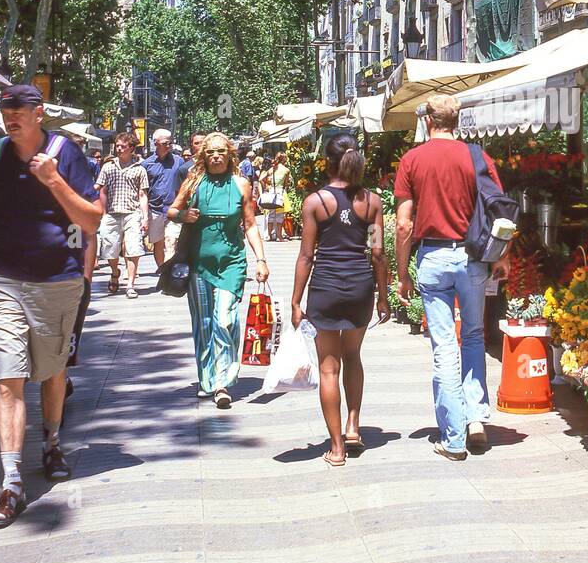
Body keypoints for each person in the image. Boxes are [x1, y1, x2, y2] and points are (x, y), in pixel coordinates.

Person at [0, 84, 102, 529]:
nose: (9, 115)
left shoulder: (66, 153)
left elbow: (90, 220)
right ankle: (11, 483)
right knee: (8, 378)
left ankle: (51, 441)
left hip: (55, 282)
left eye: (17, 108)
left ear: (38, 112)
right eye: (3, 108)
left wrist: (53, 179)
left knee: (51, 372)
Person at [395, 94, 510, 461]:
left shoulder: (412, 160)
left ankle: (454, 436)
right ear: (457, 121)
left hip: (432, 256)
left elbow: (402, 224)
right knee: (474, 335)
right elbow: (500, 212)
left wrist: (402, 274)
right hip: (473, 257)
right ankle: (476, 419)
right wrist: (504, 256)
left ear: (428, 120)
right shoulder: (477, 156)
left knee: (444, 346)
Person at [291, 134, 388, 466]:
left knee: (328, 368)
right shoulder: (372, 202)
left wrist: (295, 302)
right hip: (361, 287)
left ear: (327, 162)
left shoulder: (315, 202)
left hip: (326, 289)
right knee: (353, 357)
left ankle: (336, 447)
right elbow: (378, 254)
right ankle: (353, 426)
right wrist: (383, 297)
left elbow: (306, 257)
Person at [168, 132, 269, 409]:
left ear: (229, 155)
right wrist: (183, 215)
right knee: (203, 325)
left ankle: (223, 383)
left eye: (220, 151)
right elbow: (171, 210)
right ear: (203, 155)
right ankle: (207, 380)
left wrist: (260, 259)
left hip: (232, 262)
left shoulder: (241, 184)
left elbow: (249, 224)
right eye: (210, 151)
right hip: (199, 263)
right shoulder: (194, 181)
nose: (215, 156)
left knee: (225, 320)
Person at [96, 132, 149, 297]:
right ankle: (114, 271)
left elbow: (142, 195)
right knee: (109, 250)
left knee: (133, 248)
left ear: (131, 149)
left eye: (123, 146)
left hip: (132, 213)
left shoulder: (140, 170)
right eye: (117, 146)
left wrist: (145, 217)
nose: (119, 149)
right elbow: (100, 189)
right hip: (111, 213)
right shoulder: (108, 166)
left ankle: (130, 284)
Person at [142, 128, 188, 272]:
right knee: (158, 243)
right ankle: (162, 270)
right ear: (156, 143)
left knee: (171, 241)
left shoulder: (178, 161)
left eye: (170, 143)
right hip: (154, 210)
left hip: (173, 208)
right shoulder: (146, 164)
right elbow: (143, 190)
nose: (169, 146)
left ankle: (168, 272)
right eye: (165, 143)